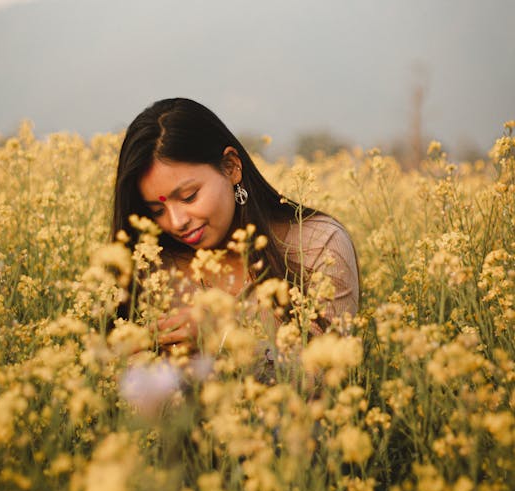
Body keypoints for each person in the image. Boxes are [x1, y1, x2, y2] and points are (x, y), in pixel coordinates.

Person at [111, 98, 359, 354]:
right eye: (157, 210)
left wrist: (222, 342)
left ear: (231, 167)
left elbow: (329, 374)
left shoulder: (318, 245)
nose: (177, 222)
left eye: (188, 196)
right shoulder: (155, 267)